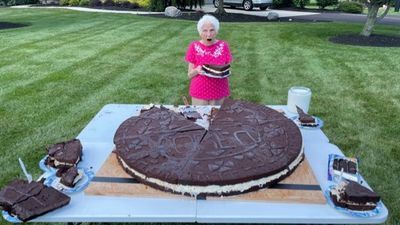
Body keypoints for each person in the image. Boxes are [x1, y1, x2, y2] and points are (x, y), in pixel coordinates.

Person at [185, 14, 233, 106]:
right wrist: (197, 70)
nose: (208, 34)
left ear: (216, 31)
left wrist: (225, 72)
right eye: (205, 30)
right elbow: (189, 75)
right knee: (199, 118)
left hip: (219, 91)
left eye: (212, 30)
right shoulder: (194, 46)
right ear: (200, 32)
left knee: (219, 119)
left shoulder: (223, 46)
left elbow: (227, 68)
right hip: (199, 93)